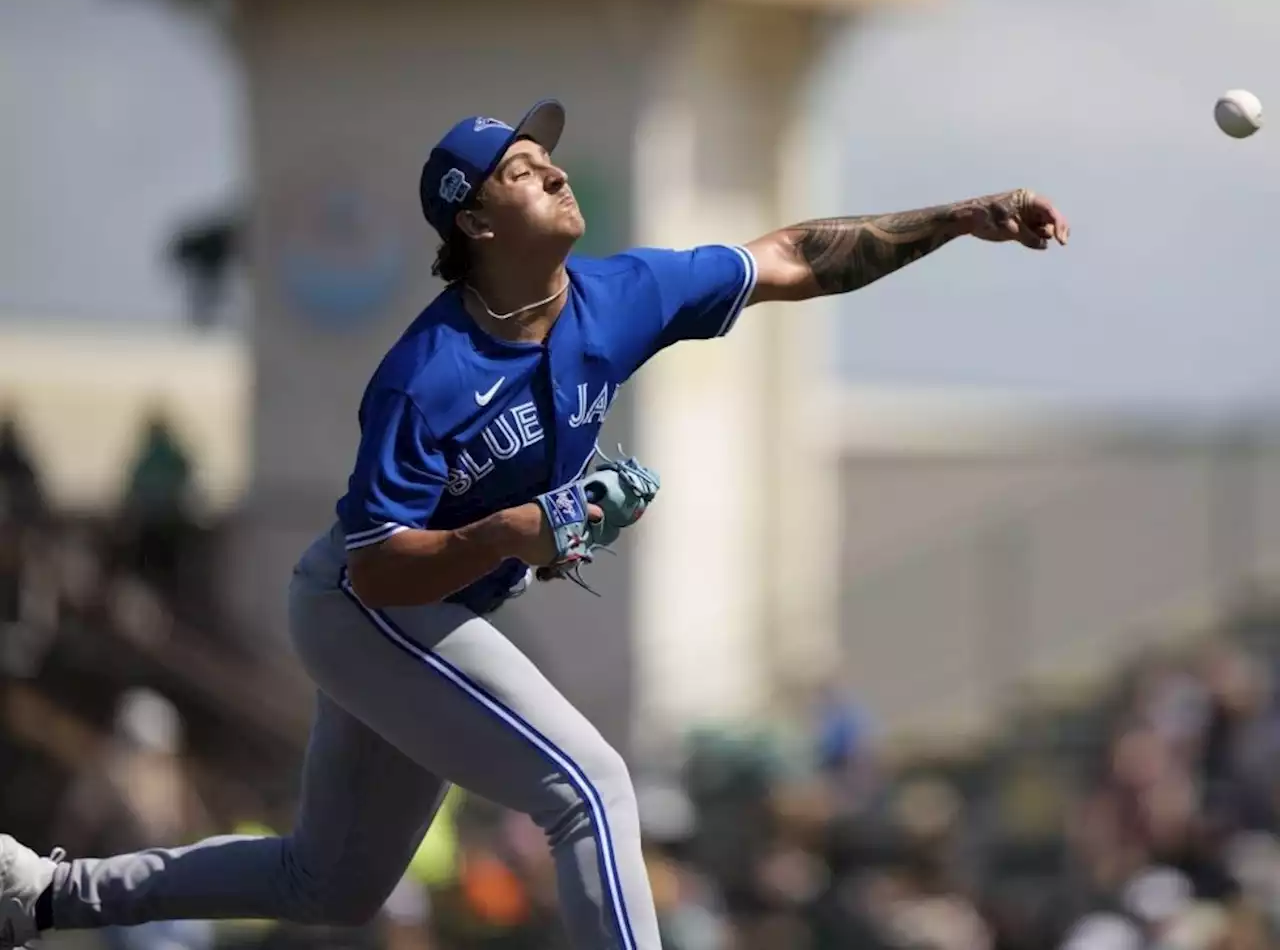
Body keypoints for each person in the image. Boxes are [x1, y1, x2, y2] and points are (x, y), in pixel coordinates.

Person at [0, 99, 1068, 950]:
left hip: (424, 603)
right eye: (520, 168)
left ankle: (42, 894)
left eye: (546, 159)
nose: (552, 170)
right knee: (591, 787)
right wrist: (515, 529)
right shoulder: (425, 376)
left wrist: (956, 218)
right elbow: (376, 569)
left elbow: (792, 254)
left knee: (327, 883)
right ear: (473, 222)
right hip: (361, 602)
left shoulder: (619, 295)